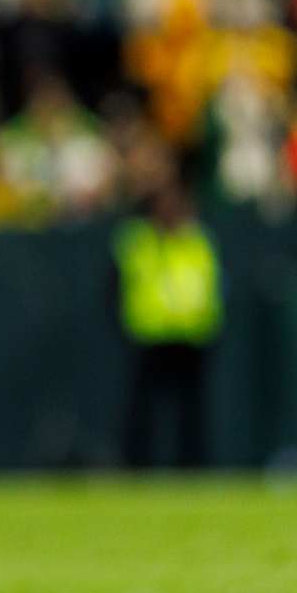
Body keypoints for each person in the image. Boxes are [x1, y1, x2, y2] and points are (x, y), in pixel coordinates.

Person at [111, 180, 223, 468]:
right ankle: (137, 468)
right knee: (142, 410)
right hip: (150, 336)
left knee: (191, 411)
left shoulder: (198, 242)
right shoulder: (139, 241)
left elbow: (210, 287)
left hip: (190, 337)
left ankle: (192, 468)